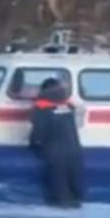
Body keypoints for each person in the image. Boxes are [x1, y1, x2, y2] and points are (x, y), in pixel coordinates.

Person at [29, 78, 85, 207]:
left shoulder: (41, 107)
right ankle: (76, 205)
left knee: (58, 183)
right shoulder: (69, 105)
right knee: (74, 181)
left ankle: (61, 208)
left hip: (55, 151)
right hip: (74, 149)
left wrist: (33, 143)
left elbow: (39, 130)